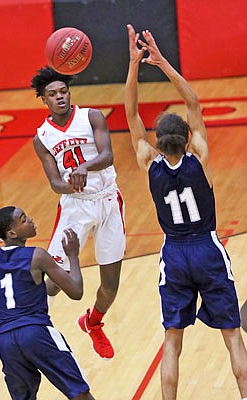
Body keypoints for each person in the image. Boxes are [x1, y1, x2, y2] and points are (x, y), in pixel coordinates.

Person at [124, 24, 247, 400]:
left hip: (174, 253)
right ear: (188, 138)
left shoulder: (148, 161)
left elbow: (130, 113)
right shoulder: (201, 157)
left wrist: (134, 66)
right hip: (207, 250)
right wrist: (162, 63)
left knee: (172, 342)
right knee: (232, 339)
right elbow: (193, 102)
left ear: (157, 142)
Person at [30, 66, 126, 359]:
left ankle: (93, 323)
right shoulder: (42, 137)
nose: (60, 97)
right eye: (52, 94)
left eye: (63, 91)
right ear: (43, 100)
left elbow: (107, 155)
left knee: (110, 285)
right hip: (75, 208)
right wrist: (73, 184)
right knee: (54, 282)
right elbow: (56, 184)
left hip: (108, 201)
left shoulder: (91, 116)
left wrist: (83, 168)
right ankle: (28, 318)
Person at [0, 206, 95, 400]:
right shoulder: (37, 255)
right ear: (12, 233)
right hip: (36, 332)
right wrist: (73, 255)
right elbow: (76, 291)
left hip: (6, 341)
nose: (30, 219)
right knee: (79, 392)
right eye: (23, 219)